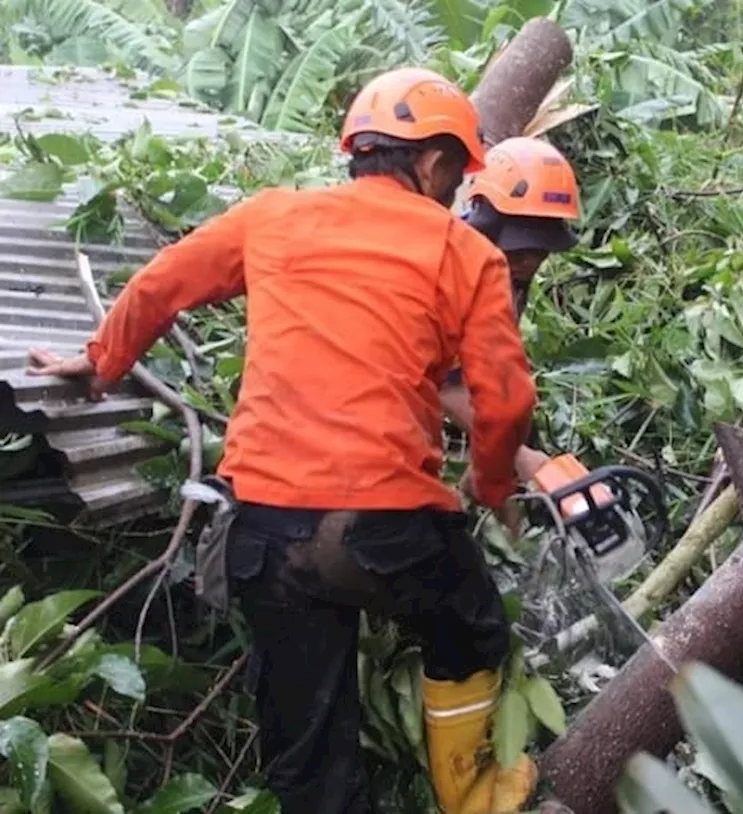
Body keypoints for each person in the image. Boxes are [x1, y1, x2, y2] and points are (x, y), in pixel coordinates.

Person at [26, 68, 540, 814]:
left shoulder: (272, 216)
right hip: (389, 526)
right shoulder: (464, 253)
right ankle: (474, 798)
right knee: (472, 629)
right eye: (458, 172)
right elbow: (506, 398)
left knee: (309, 753)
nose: (457, 189)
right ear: (432, 164)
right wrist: (491, 485)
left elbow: (161, 284)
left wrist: (102, 363)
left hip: (265, 530)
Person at [440, 136, 582, 481]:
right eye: (519, 252)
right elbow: (445, 383)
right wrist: (513, 454)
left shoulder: (511, 274)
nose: (529, 263)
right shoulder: (450, 269)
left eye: (540, 251)